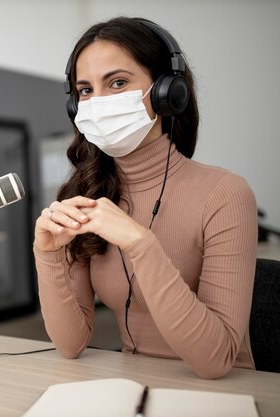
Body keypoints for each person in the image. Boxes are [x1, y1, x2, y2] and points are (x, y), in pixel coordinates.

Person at [34, 16, 258, 379]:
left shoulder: (225, 193)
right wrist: (47, 253)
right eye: (86, 91)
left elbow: (216, 361)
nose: (98, 102)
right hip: (132, 384)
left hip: (221, 393)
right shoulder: (86, 194)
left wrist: (141, 244)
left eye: (118, 82)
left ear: (166, 92)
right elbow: (70, 343)